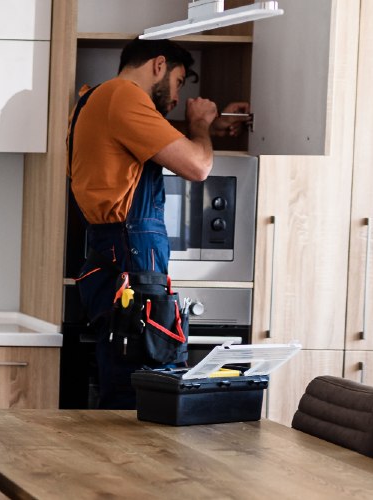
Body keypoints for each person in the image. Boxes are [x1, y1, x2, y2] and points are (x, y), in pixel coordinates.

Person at [68, 39, 250, 409]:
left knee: (126, 377)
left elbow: (158, 139)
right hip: (134, 253)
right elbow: (198, 167)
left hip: (113, 253)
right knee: (147, 386)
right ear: (158, 65)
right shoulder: (124, 95)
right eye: (179, 82)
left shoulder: (94, 99)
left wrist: (206, 128)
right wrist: (200, 128)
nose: (178, 96)